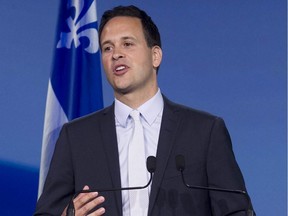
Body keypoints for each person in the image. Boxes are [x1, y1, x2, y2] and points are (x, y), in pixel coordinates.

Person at [35, 5, 254, 216]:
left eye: (127, 44)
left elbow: (237, 211)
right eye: (107, 48)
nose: (116, 54)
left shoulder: (204, 132)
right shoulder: (76, 137)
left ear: (155, 55)